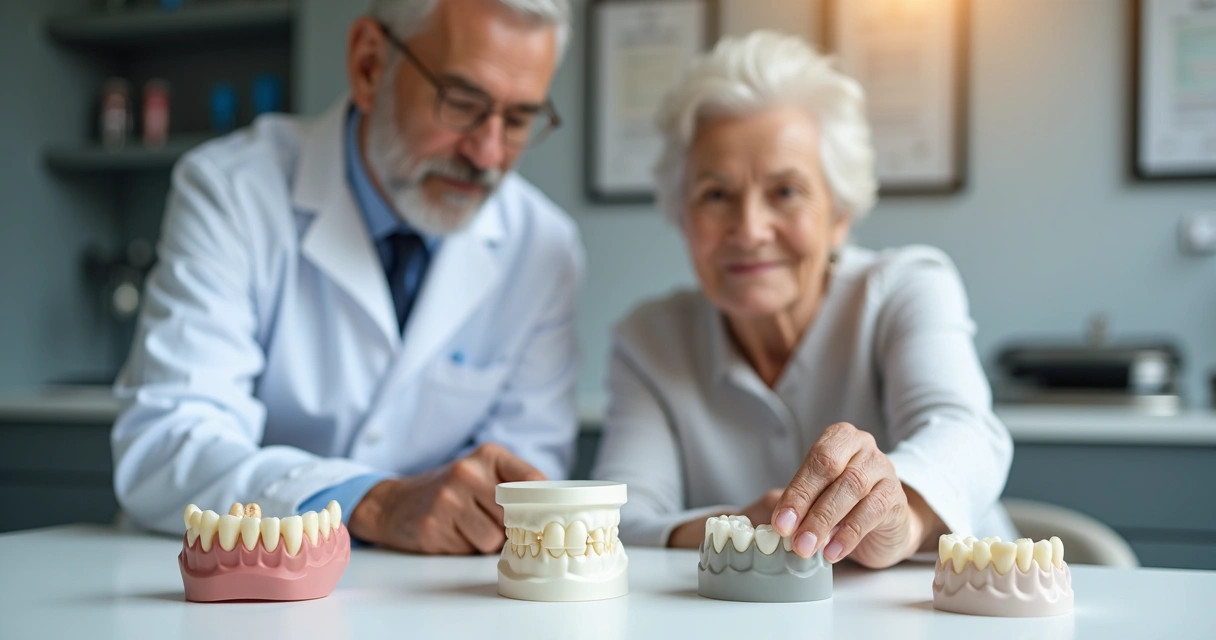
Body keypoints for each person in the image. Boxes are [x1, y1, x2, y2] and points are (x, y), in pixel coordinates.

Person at [112, 0, 582, 556]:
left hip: (430, 595)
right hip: (234, 581)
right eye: (461, 102)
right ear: (368, 65)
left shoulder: (543, 247)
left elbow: (526, 475)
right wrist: (375, 501)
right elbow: (168, 444)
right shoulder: (232, 191)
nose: (487, 153)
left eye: (520, 119)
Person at [591, 31, 1015, 568]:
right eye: (716, 195)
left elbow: (966, 433)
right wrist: (736, 531)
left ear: (839, 214)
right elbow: (620, 520)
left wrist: (895, 518)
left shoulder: (905, 287)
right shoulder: (649, 339)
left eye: (785, 192)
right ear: (683, 216)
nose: (749, 229)